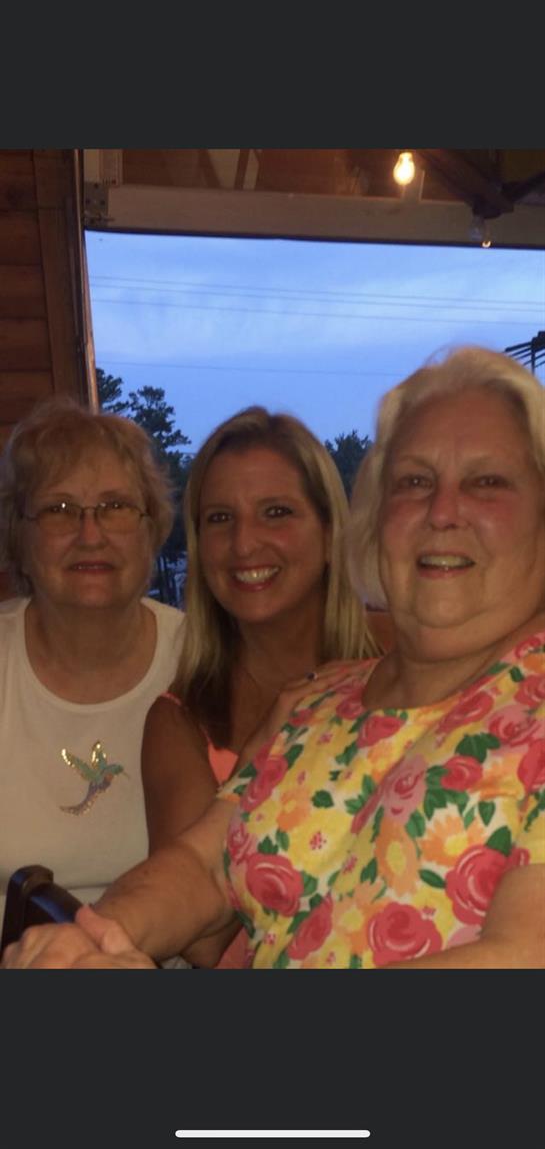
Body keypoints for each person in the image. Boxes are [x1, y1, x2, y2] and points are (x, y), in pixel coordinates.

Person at [4, 346, 544, 970]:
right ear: (373, 521)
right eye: (414, 482)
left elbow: (521, 955)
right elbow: (205, 862)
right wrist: (92, 936)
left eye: (487, 482)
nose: (443, 512)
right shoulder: (318, 703)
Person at [140, 406, 378, 967]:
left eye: (276, 512)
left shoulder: (402, 665)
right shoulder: (181, 721)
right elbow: (201, 944)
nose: (245, 543)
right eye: (220, 518)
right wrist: (264, 755)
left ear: (328, 534)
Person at [0, 397, 185, 931]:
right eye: (59, 509)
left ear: (152, 528)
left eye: (116, 506)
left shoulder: (205, 659)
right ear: (21, 536)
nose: (90, 533)